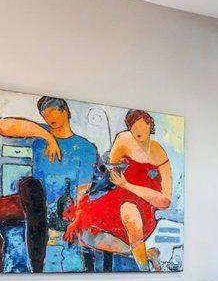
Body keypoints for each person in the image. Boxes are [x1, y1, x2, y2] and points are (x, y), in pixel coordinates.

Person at [0, 96, 98, 272]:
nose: (49, 117)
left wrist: (77, 219)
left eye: (54, 112)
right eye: (45, 114)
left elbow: (83, 191)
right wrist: (47, 136)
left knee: (32, 187)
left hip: (61, 207)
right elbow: (0, 125)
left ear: (66, 113)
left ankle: (36, 267)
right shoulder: (41, 134)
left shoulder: (85, 148)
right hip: (32, 199)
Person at [64, 110, 172, 270]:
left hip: (142, 206)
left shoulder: (160, 154)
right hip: (114, 199)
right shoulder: (122, 140)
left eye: (142, 126)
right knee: (84, 232)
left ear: (150, 125)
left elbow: (165, 202)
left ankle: (145, 270)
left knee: (130, 213)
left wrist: (126, 185)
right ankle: (146, 254)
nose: (137, 131)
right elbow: (109, 177)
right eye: (133, 126)